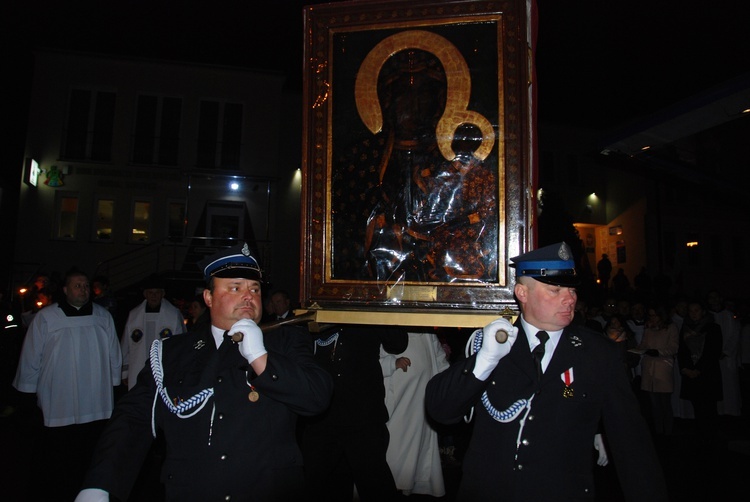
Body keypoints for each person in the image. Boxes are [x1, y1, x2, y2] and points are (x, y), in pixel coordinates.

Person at [75, 242, 334, 502]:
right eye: (235, 287)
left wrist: (260, 357)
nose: (248, 296)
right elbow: (133, 419)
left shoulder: (285, 340)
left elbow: (317, 398)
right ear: (208, 298)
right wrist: (100, 484)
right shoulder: (172, 353)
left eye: (254, 288)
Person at [425, 242, 668, 501]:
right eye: (555, 290)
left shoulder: (599, 353)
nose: (570, 298)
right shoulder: (491, 343)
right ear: (522, 292)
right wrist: (484, 361)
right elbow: (441, 411)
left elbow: (632, 444)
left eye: (572, 290)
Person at [13, 267, 122, 501]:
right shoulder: (47, 318)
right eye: (77, 285)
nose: (83, 290)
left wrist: (115, 383)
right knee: (57, 458)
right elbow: (32, 355)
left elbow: (114, 354)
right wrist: (27, 391)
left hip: (95, 402)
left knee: (90, 454)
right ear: (65, 290)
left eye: (85, 286)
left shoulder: (103, 317)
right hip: (59, 401)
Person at [299, 323, 408, 501]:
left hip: (363, 415)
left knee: (375, 484)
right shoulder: (320, 300)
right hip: (322, 416)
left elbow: (397, 343)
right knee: (322, 486)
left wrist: (377, 302)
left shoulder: (368, 301)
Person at [379, 331, 450, 497]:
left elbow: (439, 360)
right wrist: (391, 363)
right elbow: (369, 361)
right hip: (398, 399)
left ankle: (408, 484)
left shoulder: (425, 332)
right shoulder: (385, 327)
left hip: (422, 399)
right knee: (394, 445)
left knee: (419, 445)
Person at [120, 274, 186, 391]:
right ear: (145, 294)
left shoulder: (173, 315)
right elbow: (126, 344)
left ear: (163, 294)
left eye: (157, 293)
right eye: (150, 293)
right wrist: (125, 371)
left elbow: (181, 344)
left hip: (165, 368)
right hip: (138, 367)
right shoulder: (134, 315)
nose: (154, 296)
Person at [677, 299, 724, 444]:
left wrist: (698, 369)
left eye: (696, 310)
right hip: (691, 373)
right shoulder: (685, 328)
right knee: (697, 406)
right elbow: (682, 351)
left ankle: (711, 436)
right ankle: (701, 435)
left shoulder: (713, 328)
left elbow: (713, 352)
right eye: (691, 311)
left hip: (707, 374)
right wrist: (685, 368)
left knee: (709, 407)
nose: (693, 314)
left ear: (703, 312)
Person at [636, 304, 679, 437]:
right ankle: (658, 431)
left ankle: (668, 432)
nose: (652, 318)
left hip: (663, 367)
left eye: (655, 315)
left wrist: (659, 352)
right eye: (650, 315)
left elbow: (673, 347)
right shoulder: (649, 328)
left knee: (665, 403)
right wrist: (638, 349)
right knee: (654, 404)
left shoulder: (671, 328)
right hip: (649, 367)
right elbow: (643, 344)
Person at [707, 289, 742, 416]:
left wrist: (726, 351)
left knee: (729, 385)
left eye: (716, 297)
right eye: (711, 297)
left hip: (726, 357)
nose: (714, 300)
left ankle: (731, 411)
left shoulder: (728, 315)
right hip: (712, 357)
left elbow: (734, 335)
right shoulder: (707, 316)